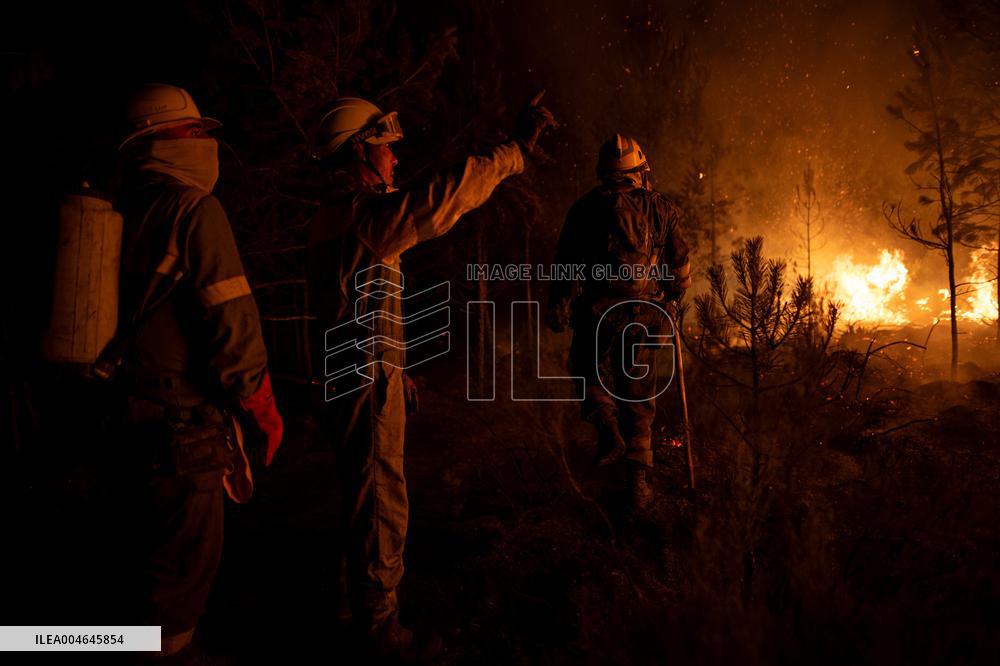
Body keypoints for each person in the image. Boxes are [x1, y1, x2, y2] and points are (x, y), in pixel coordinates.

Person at [307, 94, 555, 661]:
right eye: (387, 148)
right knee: (379, 496)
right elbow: (442, 200)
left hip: (357, 370)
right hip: (364, 378)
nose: (396, 159)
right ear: (360, 150)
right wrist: (512, 153)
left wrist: (398, 366)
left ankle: (351, 605)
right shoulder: (362, 213)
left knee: (359, 490)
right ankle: (379, 630)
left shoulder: (337, 214)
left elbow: (355, 304)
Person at [112, 83, 284, 658]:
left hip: (119, 424)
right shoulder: (192, 209)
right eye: (194, 130)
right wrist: (262, 411)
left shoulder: (115, 214)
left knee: (131, 576)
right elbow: (232, 324)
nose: (206, 140)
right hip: (181, 436)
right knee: (175, 592)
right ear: (157, 140)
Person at [546, 133, 691, 511]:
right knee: (638, 394)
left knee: (586, 370)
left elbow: (565, 264)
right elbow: (680, 263)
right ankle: (638, 485)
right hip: (643, 313)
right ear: (639, 171)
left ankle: (607, 428)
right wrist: (674, 297)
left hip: (597, 313)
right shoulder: (661, 208)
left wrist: (559, 304)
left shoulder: (584, 208)